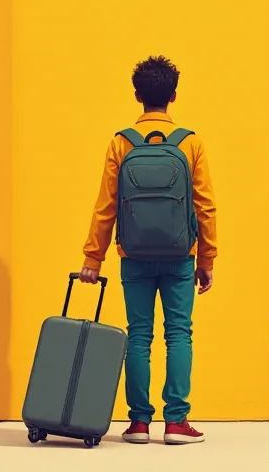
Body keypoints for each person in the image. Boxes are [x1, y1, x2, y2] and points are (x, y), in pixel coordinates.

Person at [78, 55, 217, 445]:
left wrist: (93, 257)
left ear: (137, 95)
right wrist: (206, 259)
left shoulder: (121, 142)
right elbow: (205, 206)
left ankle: (139, 423)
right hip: (179, 256)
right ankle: (176, 422)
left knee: (138, 334)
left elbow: (106, 204)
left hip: (133, 256)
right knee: (179, 334)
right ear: (173, 95)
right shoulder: (191, 143)